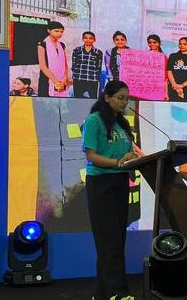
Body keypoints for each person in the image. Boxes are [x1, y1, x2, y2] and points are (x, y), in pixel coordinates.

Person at [83, 81, 139, 300]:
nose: (125, 102)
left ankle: (102, 294)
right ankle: (118, 292)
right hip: (101, 183)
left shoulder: (122, 124)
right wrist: (118, 162)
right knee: (109, 241)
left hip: (120, 182)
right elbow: (92, 156)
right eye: (120, 98)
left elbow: (126, 154)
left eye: (127, 98)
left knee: (117, 239)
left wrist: (130, 157)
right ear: (107, 97)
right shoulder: (94, 120)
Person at [37, 21, 70, 97]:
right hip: (47, 79)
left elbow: (65, 64)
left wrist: (64, 79)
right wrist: (56, 82)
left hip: (62, 80)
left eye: (61, 32)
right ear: (49, 30)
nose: (59, 34)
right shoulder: (42, 44)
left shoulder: (62, 45)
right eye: (56, 31)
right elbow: (42, 66)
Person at [71, 31, 103, 99]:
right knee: (77, 99)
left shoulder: (98, 52)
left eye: (90, 38)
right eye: (85, 38)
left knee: (93, 100)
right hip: (78, 80)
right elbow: (74, 65)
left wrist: (96, 76)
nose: (88, 40)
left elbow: (99, 67)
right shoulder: (77, 50)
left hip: (93, 81)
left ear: (94, 40)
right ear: (83, 39)